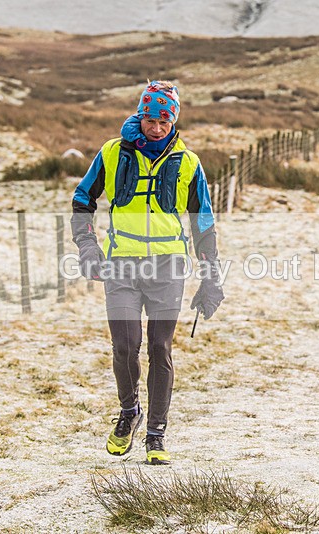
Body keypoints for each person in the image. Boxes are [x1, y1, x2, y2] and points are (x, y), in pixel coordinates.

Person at [71, 80, 224, 464]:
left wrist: (211, 277)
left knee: (160, 348)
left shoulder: (189, 163)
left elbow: (202, 223)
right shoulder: (111, 153)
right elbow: (81, 201)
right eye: (151, 118)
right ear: (141, 114)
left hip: (168, 268)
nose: (157, 127)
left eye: (165, 120)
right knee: (125, 347)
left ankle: (156, 434)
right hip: (120, 265)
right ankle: (129, 413)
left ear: (174, 120)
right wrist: (89, 248)